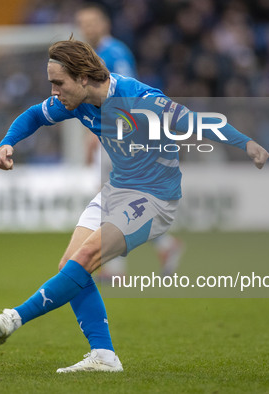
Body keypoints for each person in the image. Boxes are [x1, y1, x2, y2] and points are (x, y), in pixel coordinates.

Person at [0, 38, 269, 373]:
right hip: (116, 190)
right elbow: (35, 115)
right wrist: (7, 143)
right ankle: (104, 356)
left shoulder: (139, 99)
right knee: (70, 267)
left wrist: (246, 143)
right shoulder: (73, 102)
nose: (54, 91)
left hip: (154, 198)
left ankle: (13, 318)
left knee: (85, 258)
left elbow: (195, 121)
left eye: (58, 83)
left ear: (83, 78)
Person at [76, 3, 184, 279]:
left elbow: (127, 97)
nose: (87, 27)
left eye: (92, 22)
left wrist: (95, 134)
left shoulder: (114, 53)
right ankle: (154, 248)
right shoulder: (96, 54)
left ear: (105, 25)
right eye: (83, 23)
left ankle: (120, 264)